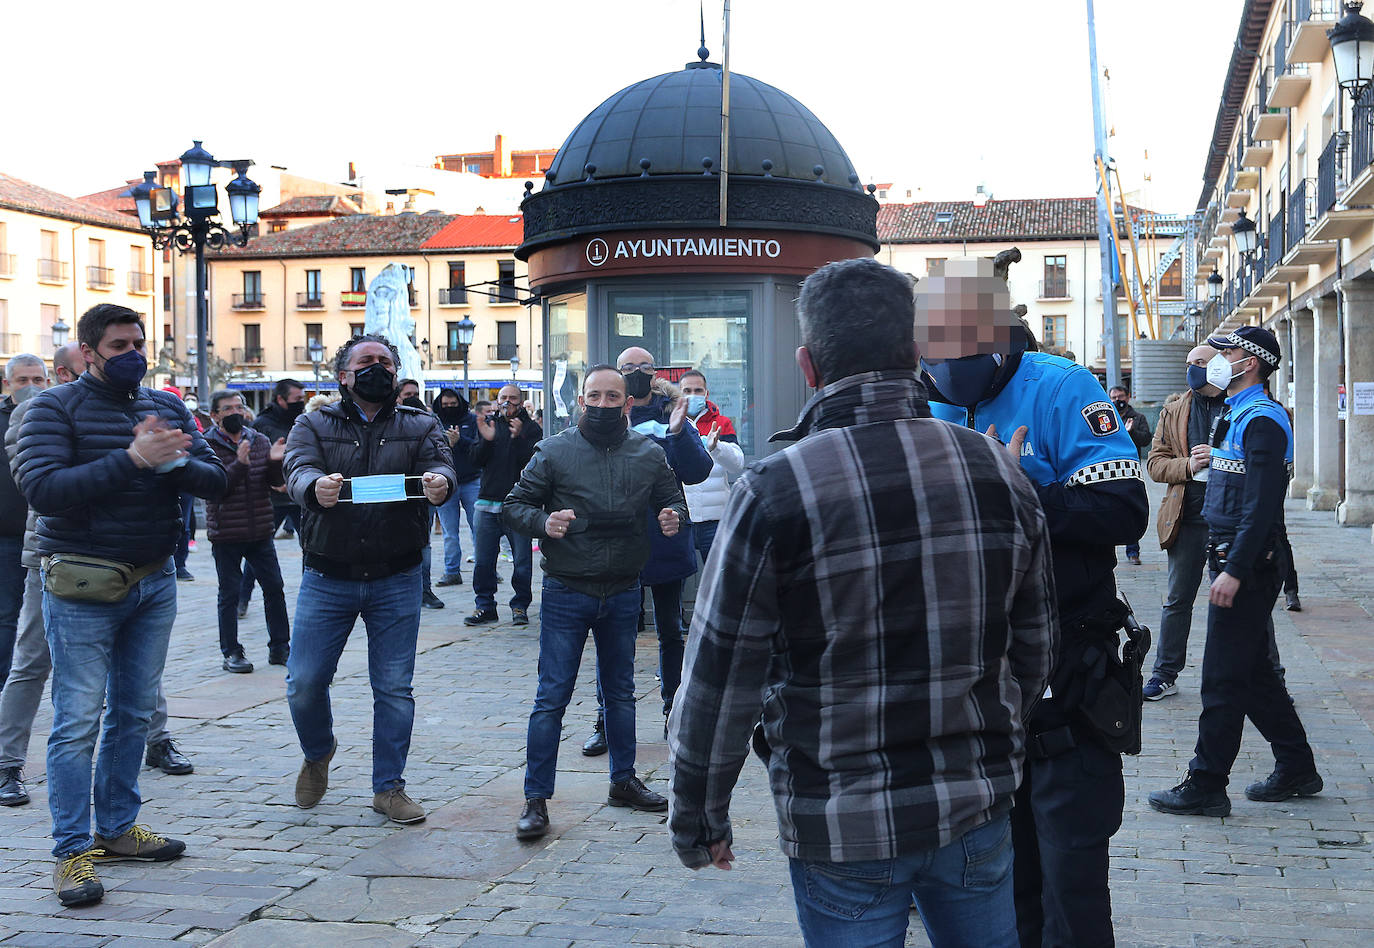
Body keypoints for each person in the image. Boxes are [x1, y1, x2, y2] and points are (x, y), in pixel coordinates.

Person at [668, 258, 1057, 947]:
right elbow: (1033, 646)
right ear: (916, 354)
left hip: (841, 818)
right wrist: (996, 747)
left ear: (808, 366)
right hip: (974, 801)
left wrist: (700, 816)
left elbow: (721, 676)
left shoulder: (774, 489)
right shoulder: (998, 469)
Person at [919, 257, 1148, 947]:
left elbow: (1123, 509)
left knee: (1070, 879)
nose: (949, 367)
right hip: (974, 683)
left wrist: (1019, 491)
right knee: (998, 881)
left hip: (1065, 672)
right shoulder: (918, 397)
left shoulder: (1062, 388)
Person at [14, 304, 226, 907]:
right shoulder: (51, 409)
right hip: (82, 584)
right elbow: (44, 490)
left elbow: (218, 482)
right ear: (87, 352)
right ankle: (72, 853)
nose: (133, 353)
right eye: (118, 344)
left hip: (153, 581)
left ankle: (116, 828)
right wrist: (133, 459)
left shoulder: (166, 406)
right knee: (77, 720)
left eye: (139, 342)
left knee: (134, 713)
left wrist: (175, 458)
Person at [502, 365, 689, 840]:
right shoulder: (554, 450)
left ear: (628, 403)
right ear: (581, 401)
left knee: (621, 693)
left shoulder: (648, 452)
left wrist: (673, 517)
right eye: (595, 396)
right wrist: (546, 523)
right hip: (567, 589)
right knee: (552, 698)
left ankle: (623, 781)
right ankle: (536, 799)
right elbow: (514, 505)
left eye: (613, 397)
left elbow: (674, 499)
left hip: (624, 588)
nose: (604, 404)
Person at [1149, 327, 1322, 817]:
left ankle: (1206, 783)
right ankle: (1297, 767)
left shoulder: (1262, 419)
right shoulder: (1237, 413)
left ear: (1249, 363)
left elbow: (1263, 506)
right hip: (1229, 556)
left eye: (1226, 352)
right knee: (1255, 675)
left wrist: (1236, 569)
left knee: (1221, 679)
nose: (1216, 360)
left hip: (1245, 564)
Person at [283, 334, 455, 826]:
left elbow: (442, 467)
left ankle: (389, 787)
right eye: (366, 362)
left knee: (394, 688)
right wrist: (314, 487)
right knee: (304, 683)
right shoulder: (311, 422)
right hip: (327, 573)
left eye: (385, 361)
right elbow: (297, 470)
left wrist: (441, 484)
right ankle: (319, 750)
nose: (376, 368)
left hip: (397, 574)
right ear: (343, 375)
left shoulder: (421, 423)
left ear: (397, 373)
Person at [582, 349, 711, 755]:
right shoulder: (605, 412)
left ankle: (674, 714)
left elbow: (697, 471)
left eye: (644, 368)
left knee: (670, 630)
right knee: (613, 632)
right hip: (615, 539)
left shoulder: (673, 411)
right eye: (628, 368)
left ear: (655, 374)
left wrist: (678, 431)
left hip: (665, 536)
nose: (637, 374)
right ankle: (607, 718)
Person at [204, 390, 290, 674]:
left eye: (239, 407)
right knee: (229, 593)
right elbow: (218, 488)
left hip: (260, 529)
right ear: (215, 415)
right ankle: (231, 651)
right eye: (227, 408)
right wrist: (239, 465)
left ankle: (280, 647)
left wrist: (276, 460)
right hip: (226, 532)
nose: (235, 412)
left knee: (275, 588)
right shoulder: (206, 444)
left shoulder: (259, 440)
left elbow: (274, 483)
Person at [465, 384, 541, 626]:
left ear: (521, 402)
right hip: (487, 501)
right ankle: (485, 606)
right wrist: (486, 441)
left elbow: (533, 463)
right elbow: (476, 460)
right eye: (503, 398)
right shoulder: (490, 424)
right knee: (484, 560)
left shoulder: (531, 428)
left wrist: (519, 439)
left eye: (513, 398)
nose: (508, 402)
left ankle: (520, 606)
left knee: (521, 561)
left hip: (518, 504)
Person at [0, 354, 48, 686]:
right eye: (23, 381)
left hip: (45, 539)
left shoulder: (56, 416)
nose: (30, 387)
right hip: (5, 537)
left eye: (37, 380)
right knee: (4, 616)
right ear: (8, 384)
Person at [677, 369, 744, 565]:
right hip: (682, 519)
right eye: (687, 390)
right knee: (677, 579)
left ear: (706, 394)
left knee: (719, 578)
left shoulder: (721, 422)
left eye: (698, 390)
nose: (693, 395)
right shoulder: (671, 422)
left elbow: (737, 464)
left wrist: (717, 448)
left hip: (715, 521)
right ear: (679, 393)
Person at [395, 379, 446, 610]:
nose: (413, 398)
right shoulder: (391, 420)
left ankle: (424, 590)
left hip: (421, 492)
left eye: (416, 393)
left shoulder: (429, 421)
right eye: (408, 394)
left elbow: (440, 455)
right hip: (395, 491)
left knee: (423, 543)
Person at [432, 388, 480, 587]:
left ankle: (486, 569)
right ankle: (452, 571)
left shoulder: (471, 420)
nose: (449, 407)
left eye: (453, 404)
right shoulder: (435, 422)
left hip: (471, 480)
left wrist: (460, 441)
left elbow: (480, 447)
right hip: (446, 481)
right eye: (446, 405)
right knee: (449, 531)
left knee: (479, 527)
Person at [1110, 384, 1152, 565]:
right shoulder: (1106, 416)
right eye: (1113, 397)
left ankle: (1133, 551)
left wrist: (1131, 431)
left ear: (1128, 397)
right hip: (1109, 468)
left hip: (1130, 469)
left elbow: (1145, 439)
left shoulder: (1137, 418)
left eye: (1120, 397)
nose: (1116, 401)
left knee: (1130, 508)